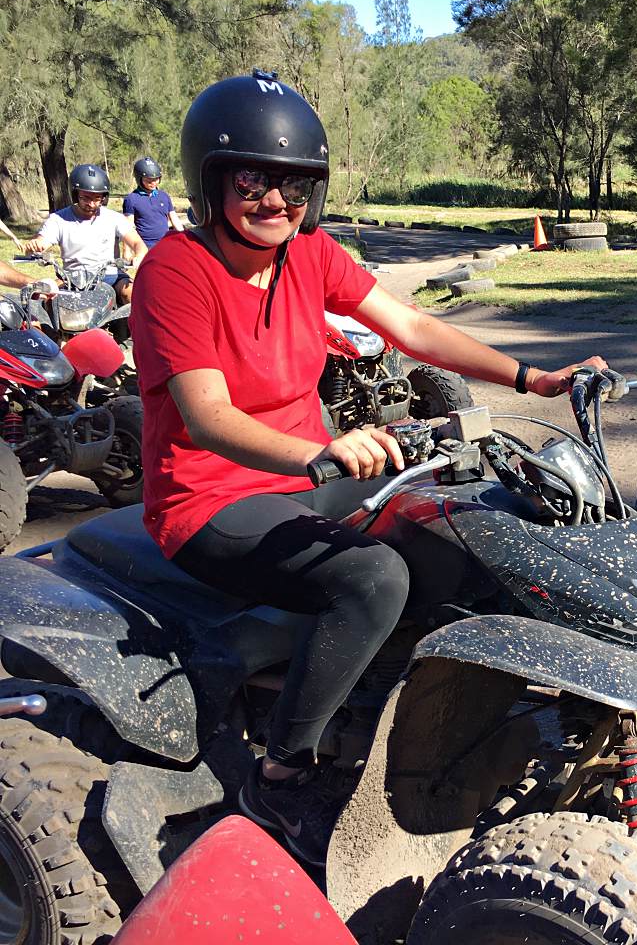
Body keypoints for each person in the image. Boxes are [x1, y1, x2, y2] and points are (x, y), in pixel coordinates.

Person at [129, 70, 608, 868]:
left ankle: (422, 705)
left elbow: (414, 326)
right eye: (251, 179)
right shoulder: (175, 273)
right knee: (372, 578)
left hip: (299, 476)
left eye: (292, 185)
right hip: (206, 500)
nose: (273, 201)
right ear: (210, 181)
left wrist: (533, 378)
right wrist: (318, 450)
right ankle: (279, 778)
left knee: (465, 516)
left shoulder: (310, 254)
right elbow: (209, 420)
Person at [21, 163, 148, 304]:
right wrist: (36, 245)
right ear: (75, 195)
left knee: (132, 293)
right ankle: (39, 327)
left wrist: (140, 254)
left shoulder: (114, 218)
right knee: (42, 298)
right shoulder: (58, 219)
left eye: (97, 199)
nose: (92, 204)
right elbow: (41, 241)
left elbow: (137, 242)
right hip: (72, 278)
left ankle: (137, 326)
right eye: (85, 198)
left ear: (104, 198)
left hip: (111, 276)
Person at [122, 157, 185, 247]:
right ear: (139, 179)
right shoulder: (131, 199)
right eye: (149, 180)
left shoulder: (164, 196)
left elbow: (174, 219)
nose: (153, 183)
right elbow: (128, 228)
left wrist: (183, 237)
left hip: (165, 243)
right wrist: (127, 251)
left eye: (156, 179)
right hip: (144, 246)